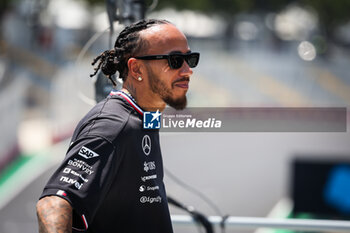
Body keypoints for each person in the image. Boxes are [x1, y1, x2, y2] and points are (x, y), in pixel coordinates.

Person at [36, 19, 200, 233]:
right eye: (175, 60)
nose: (188, 70)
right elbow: (53, 204)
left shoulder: (142, 117)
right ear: (136, 68)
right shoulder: (112, 125)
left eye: (190, 59)